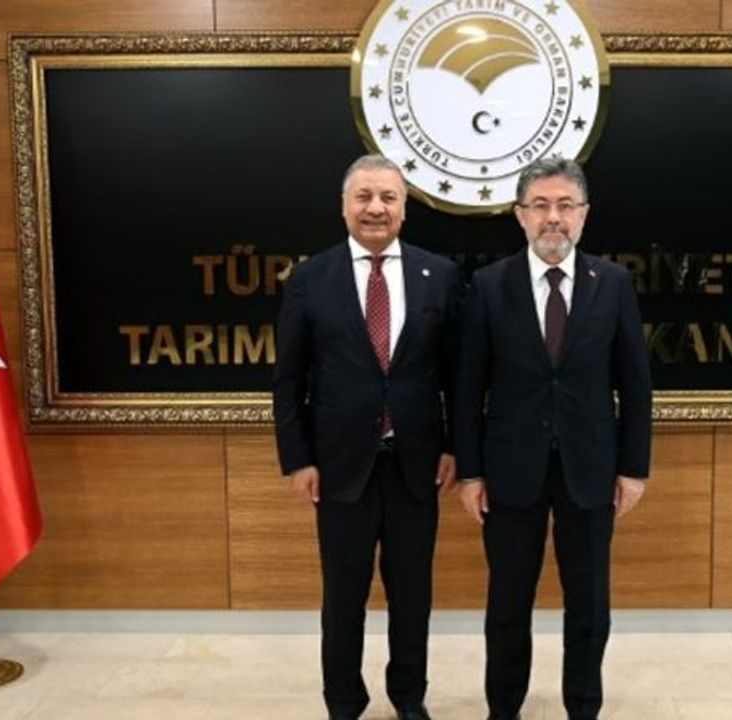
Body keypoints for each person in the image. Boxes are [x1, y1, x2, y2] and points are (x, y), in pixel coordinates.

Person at [453, 157, 652, 720]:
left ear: (584, 214)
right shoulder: (489, 286)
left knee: (588, 604)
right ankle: (504, 708)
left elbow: (635, 385)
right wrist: (470, 471)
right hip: (509, 471)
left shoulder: (612, 284)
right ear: (520, 215)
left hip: (591, 470)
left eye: (566, 205)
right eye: (540, 205)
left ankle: (583, 706)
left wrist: (634, 468)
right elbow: (466, 389)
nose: (553, 217)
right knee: (508, 604)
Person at [273, 154, 460, 720]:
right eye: (364, 197)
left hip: (415, 466)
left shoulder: (438, 275)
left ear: (404, 209)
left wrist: (454, 447)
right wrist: (298, 459)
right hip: (338, 468)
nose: (375, 208)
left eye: (388, 197)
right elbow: (289, 379)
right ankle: (344, 702)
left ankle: (409, 698)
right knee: (343, 598)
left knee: (412, 596)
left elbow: (457, 374)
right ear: (344, 206)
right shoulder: (311, 279)